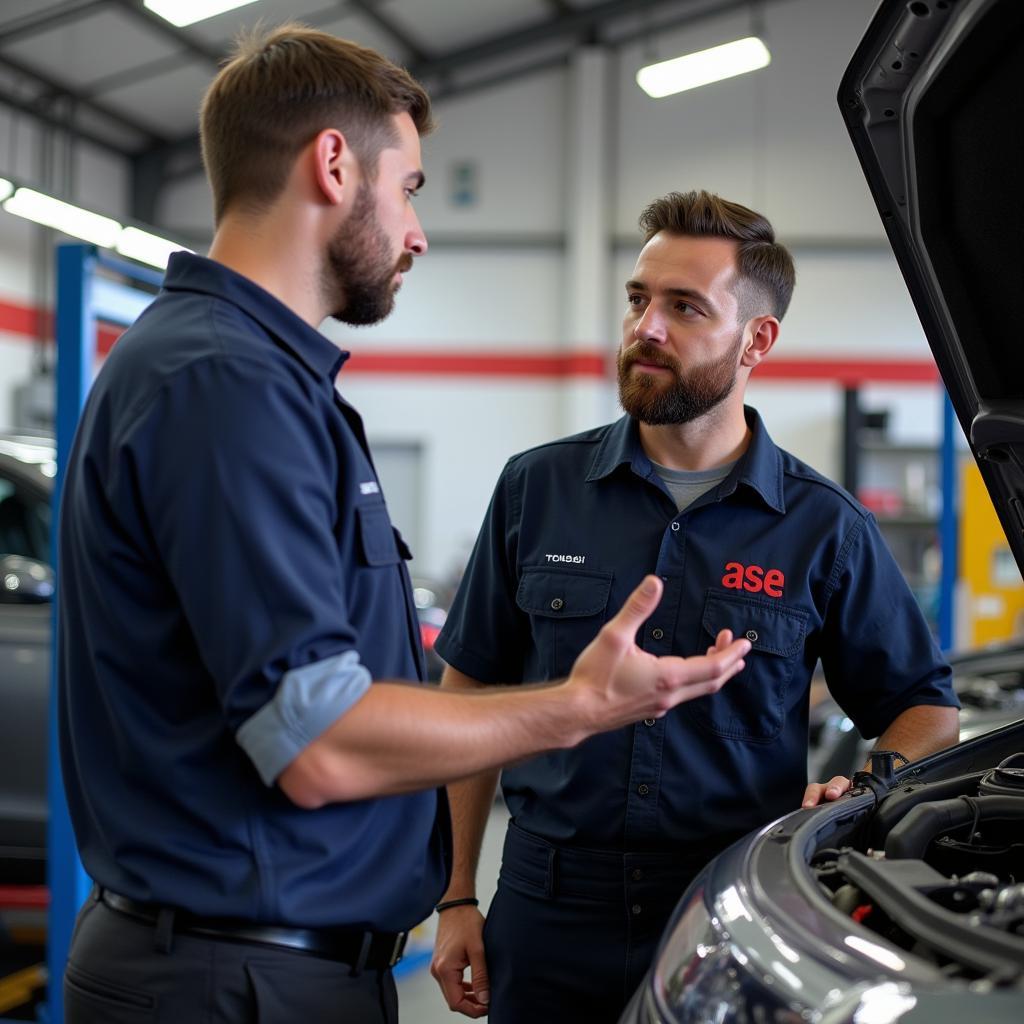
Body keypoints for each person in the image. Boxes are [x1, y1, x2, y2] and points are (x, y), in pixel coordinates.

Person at [55, 32, 753, 1024]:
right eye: (410, 185)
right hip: (233, 983)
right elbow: (321, 742)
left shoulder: (247, 375)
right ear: (333, 165)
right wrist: (582, 705)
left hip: (254, 969)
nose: (418, 232)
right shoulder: (225, 381)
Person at [429, 190, 961, 1023]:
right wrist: (457, 893)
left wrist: (865, 784)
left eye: (684, 307)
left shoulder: (824, 527)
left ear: (758, 339)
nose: (646, 327)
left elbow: (925, 708)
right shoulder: (537, 488)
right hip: (547, 901)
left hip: (730, 906)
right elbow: (469, 692)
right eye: (639, 299)